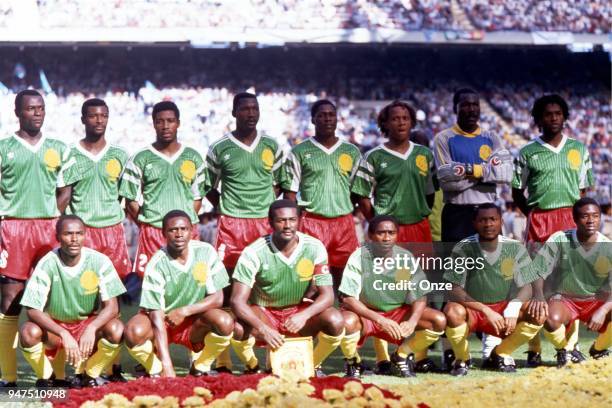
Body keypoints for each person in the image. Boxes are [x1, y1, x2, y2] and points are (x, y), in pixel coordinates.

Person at [350, 101, 437, 373]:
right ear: (384, 124)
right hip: (389, 233)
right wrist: (377, 225)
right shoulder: (374, 156)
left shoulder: (424, 154)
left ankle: (417, 355)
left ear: (412, 122)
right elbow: (361, 195)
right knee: (383, 290)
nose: (400, 122)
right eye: (395, 118)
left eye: (405, 118)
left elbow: (430, 193)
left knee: (419, 289)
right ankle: (381, 357)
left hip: (419, 228)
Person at [433, 88, 513, 368]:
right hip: (456, 213)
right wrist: (484, 170)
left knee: (490, 279)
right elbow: (447, 181)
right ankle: (452, 350)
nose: (471, 109)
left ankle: (492, 346)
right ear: (456, 108)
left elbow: (505, 173)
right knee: (452, 284)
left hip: (487, 211)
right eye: (465, 105)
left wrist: (468, 170)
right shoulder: (443, 138)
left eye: (475, 105)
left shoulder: (491, 137)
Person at [512, 94, 594, 366]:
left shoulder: (580, 149)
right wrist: (534, 215)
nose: (554, 118)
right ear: (538, 119)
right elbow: (516, 191)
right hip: (540, 217)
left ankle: (569, 346)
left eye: (558, 113)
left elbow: (583, 191)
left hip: (571, 218)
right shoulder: (526, 153)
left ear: (565, 116)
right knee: (536, 284)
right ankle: (534, 348)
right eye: (548, 114)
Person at [205, 92, 283, 372]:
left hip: (263, 224)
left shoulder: (273, 147)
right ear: (234, 113)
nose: (251, 113)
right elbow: (208, 186)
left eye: (255, 109)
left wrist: (268, 212)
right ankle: (224, 358)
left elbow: (280, 185)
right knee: (226, 291)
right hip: (232, 225)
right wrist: (226, 207)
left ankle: (265, 357)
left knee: (263, 289)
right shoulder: (219, 148)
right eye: (245, 109)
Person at [56, 98, 131, 381]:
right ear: (83, 119)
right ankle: (79, 367)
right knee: (85, 301)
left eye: (103, 116)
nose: (98, 120)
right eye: (93, 116)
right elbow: (62, 197)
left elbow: (123, 196)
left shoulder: (120, 155)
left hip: (111, 232)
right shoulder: (70, 154)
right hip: (83, 234)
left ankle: (111, 366)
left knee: (112, 302)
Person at [0, 90, 69, 387]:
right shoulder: (4, 148)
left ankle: (56, 375)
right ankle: (8, 376)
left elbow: (66, 189)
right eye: (30, 109)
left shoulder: (59, 148)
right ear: (18, 112)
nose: (37, 113)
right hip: (13, 228)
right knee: (11, 301)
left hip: (47, 229)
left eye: (41, 108)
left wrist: (54, 214)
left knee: (54, 301)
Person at [230, 200, 345, 377]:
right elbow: (237, 301)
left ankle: (310, 365)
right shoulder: (253, 252)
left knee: (335, 320)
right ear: (269, 222)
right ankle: (252, 366)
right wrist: (263, 328)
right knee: (238, 327)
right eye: (281, 220)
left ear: (299, 220)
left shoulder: (314, 247)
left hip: (298, 312)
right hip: (265, 312)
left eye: (292, 220)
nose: (287, 225)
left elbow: (328, 296)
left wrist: (304, 315)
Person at [19, 215, 125, 387]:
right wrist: (63, 333)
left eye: (79, 233)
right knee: (28, 331)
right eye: (68, 234)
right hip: (56, 328)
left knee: (117, 328)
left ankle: (90, 375)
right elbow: (31, 309)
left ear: (85, 235)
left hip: (86, 325)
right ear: (58, 236)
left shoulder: (100, 261)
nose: (75, 239)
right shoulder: (47, 263)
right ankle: (48, 376)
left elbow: (112, 307)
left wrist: (91, 328)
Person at [124, 210, 233, 377]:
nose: (179, 234)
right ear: (163, 233)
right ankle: (155, 369)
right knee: (133, 331)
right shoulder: (156, 264)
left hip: (192, 321)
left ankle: (201, 367)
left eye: (184, 229)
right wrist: (166, 364)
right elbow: (156, 316)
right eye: (173, 230)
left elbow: (218, 298)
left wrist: (184, 311)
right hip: (161, 322)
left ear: (192, 231)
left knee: (225, 321)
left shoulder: (206, 252)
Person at [339, 215, 446, 378]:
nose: (387, 237)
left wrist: (412, 320)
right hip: (367, 314)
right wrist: (380, 319)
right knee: (346, 322)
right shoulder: (359, 256)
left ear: (397, 234)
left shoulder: (405, 257)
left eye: (391, 232)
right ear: (371, 235)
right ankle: (354, 362)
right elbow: (348, 298)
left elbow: (420, 294)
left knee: (438, 320)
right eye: (381, 233)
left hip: (397, 312)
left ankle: (400, 356)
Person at [443, 204, 543, 375]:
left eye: (492, 219)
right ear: (474, 223)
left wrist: (514, 307)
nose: (488, 224)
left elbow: (527, 286)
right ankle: (462, 359)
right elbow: (454, 289)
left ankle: (500, 354)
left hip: (504, 309)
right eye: (482, 220)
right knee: (452, 311)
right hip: (474, 310)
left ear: (501, 222)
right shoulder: (463, 247)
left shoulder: (515, 247)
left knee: (538, 312)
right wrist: (485, 310)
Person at [119, 101, 206, 277]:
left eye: (170, 120)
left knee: (190, 280)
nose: (165, 126)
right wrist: (148, 223)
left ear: (178, 123)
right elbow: (131, 201)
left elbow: (197, 198)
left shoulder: (193, 157)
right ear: (154, 124)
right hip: (153, 231)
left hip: (185, 231)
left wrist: (185, 223)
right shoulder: (140, 158)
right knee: (153, 282)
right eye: (160, 121)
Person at [281, 99, 361, 289]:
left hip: (343, 223)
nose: (327, 119)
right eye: (322, 115)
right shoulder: (299, 151)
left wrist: (342, 206)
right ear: (313, 120)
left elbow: (357, 191)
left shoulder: (351, 151)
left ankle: (345, 316)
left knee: (346, 278)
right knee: (311, 281)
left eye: (331, 115)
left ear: (337, 119)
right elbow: (290, 193)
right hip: (312, 222)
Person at [532, 198, 610, 367]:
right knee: (547, 316)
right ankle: (565, 350)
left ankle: (598, 349)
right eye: (585, 216)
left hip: (594, 301)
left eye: (595, 216)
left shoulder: (607, 246)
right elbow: (538, 270)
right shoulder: (560, 238)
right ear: (574, 219)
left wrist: (603, 310)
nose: (591, 220)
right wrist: (538, 297)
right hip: (565, 300)